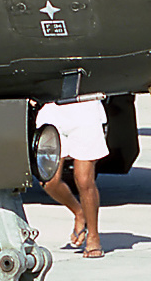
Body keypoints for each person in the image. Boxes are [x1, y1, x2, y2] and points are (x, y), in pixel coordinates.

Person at [35, 99, 109, 258]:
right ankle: (79, 212)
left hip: (85, 110)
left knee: (83, 180)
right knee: (48, 181)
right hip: (51, 110)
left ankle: (93, 237)